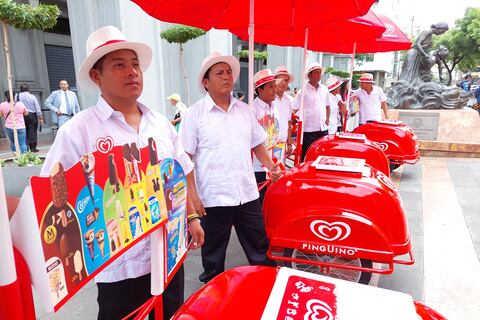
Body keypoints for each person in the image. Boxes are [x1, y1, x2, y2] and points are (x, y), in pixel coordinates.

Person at [40, 26, 204, 320]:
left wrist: (191, 216)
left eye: (135, 64)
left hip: (168, 255)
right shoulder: (77, 132)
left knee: (171, 314)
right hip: (120, 267)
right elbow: (51, 196)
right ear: (96, 75)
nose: (132, 72)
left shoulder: (160, 124)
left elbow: (180, 170)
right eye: (119, 65)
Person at [180, 52, 281, 284]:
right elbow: (185, 159)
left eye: (228, 72)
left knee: (260, 248)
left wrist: (270, 166)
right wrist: (192, 196)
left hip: (246, 193)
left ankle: (266, 288)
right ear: (206, 82)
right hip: (213, 198)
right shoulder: (194, 115)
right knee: (213, 256)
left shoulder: (244, 110)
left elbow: (257, 143)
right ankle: (213, 297)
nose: (226, 77)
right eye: (219, 73)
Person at [252, 69, 280, 204]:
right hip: (257, 166)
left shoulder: (274, 107)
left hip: (274, 160)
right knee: (260, 200)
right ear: (259, 89)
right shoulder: (252, 110)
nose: (275, 90)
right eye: (270, 87)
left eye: (275, 86)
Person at [293, 62, 330, 160]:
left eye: (319, 72)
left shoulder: (324, 90)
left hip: (323, 129)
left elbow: (327, 106)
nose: (319, 75)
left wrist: (327, 120)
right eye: (316, 73)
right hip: (309, 130)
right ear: (309, 75)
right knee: (307, 155)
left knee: (322, 155)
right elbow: (295, 108)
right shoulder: (302, 92)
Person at [273, 65, 295, 155]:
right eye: (280, 79)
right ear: (274, 80)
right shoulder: (268, 99)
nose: (283, 82)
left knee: (281, 168)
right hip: (269, 145)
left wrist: (289, 144)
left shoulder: (288, 101)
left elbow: (288, 123)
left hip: (282, 144)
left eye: (286, 80)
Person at [16, 84, 43, 152]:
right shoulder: (32, 97)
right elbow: (37, 107)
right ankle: (33, 147)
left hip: (21, 115)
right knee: (32, 131)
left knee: (23, 131)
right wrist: (40, 117)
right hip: (32, 115)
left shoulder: (17, 96)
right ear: (28, 89)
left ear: (20, 89)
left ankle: (25, 147)